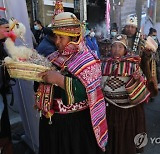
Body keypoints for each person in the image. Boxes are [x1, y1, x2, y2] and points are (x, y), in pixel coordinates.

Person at [35, 11, 108, 154]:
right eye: (56, 37)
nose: (57, 41)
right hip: (51, 123)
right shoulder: (53, 57)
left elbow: (88, 92)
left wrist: (59, 80)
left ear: (74, 37)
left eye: (61, 37)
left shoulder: (88, 60)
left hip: (75, 126)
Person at [101, 35, 150, 154]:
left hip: (128, 110)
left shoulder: (133, 64)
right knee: (112, 136)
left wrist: (138, 79)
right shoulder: (103, 63)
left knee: (126, 136)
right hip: (110, 109)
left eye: (120, 47)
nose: (116, 50)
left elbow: (143, 82)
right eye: (114, 46)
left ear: (125, 49)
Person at [122, 14, 159, 97]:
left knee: (136, 97)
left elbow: (146, 61)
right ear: (124, 28)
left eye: (132, 27)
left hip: (138, 72)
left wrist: (147, 54)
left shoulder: (142, 42)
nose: (129, 29)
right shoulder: (120, 39)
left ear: (136, 29)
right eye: (128, 27)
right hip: (122, 72)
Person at [0, 18, 13, 154]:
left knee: (5, 133)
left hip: (2, 91)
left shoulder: (3, 44)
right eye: (6, 29)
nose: (8, 32)